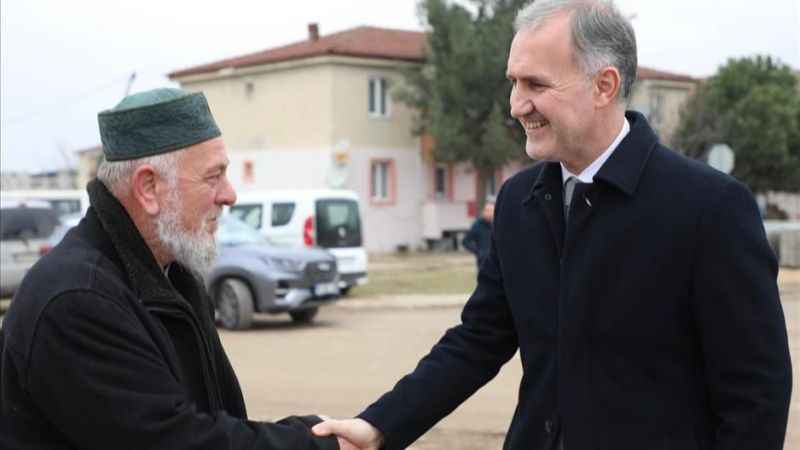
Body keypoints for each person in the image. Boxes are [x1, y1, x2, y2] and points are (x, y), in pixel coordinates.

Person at [313, 1, 793, 449]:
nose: (516, 105)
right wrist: (380, 425)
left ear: (604, 86)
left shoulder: (710, 208)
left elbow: (756, 396)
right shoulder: (519, 201)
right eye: (514, 82)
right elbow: (479, 339)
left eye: (536, 85)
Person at [0, 88, 338, 450]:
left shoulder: (173, 274)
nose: (230, 195)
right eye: (213, 177)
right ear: (149, 188)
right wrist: (315, 442)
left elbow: (211, 421)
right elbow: (174, 440)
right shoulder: (77, 299)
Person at [462, 199, 495, 268]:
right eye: (487, 210)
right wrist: (479, 252)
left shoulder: (498, 224)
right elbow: (466, 241)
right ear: (483, 212)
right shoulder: (477, 225)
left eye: (492, 211)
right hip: (483, 262)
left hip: (497, 262)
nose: (490, 213)